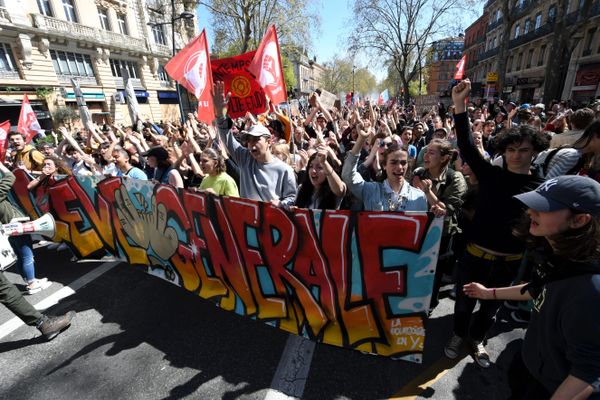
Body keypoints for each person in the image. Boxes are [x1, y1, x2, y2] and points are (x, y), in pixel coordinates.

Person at [463, 175, 600, 399]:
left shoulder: (590, 290)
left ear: (579, 220)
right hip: (529, 373)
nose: (530, 212)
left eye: (543, 207)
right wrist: (488, 294)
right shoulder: (556, 255)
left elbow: (587, 373)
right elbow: (539, 287)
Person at [444, 79, 547, 369]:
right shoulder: (489, 174)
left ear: (534, 151)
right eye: (512, 149)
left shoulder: (542, 187)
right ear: (504, 150)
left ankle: (476, 340)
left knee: (491, 309)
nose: (516, 155)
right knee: (463, 305)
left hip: (509, 263)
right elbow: (465, 143)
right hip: (473, 257)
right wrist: (459, 104)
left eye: (524, 150)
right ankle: (457, 335)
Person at [214, 82, 297, 206]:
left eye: (256, 139)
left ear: (269, 141)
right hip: (247, 222)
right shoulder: (245, 158)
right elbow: (227, 138)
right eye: (248, 140)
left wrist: (281, 204)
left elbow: (292, 198)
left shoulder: (284, 170)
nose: (251, 144)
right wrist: (220, 115)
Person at [412, 139, 468, 310]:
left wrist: (428, 192)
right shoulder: (420, 173)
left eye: (431, 153)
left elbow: (446, 210)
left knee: (433, 273)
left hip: (441, 234)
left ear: (444, 158)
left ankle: (429, 304)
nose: (426, 156)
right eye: (426, 151)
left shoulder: (455, 178)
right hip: (418, 230)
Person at [342, 121, 429, 212]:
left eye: (403, 163)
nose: (399, 167)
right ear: (384, 165)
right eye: (393, 162)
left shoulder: (419, 197)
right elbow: (348, 176)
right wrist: (361, 139)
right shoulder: (372, 191)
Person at [0, 162, 51, 294]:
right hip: (15, 223)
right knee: (27, 256)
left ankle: (28, 280)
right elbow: (10, 176)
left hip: (7, 225)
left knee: (19, 255)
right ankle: (32, 284)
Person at [295, 145, 346, 209]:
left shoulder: (335, 187)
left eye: (319, 167)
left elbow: (340, 190)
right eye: (311, 166)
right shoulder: (301, 188)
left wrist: (324, 162)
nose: (313, 171)